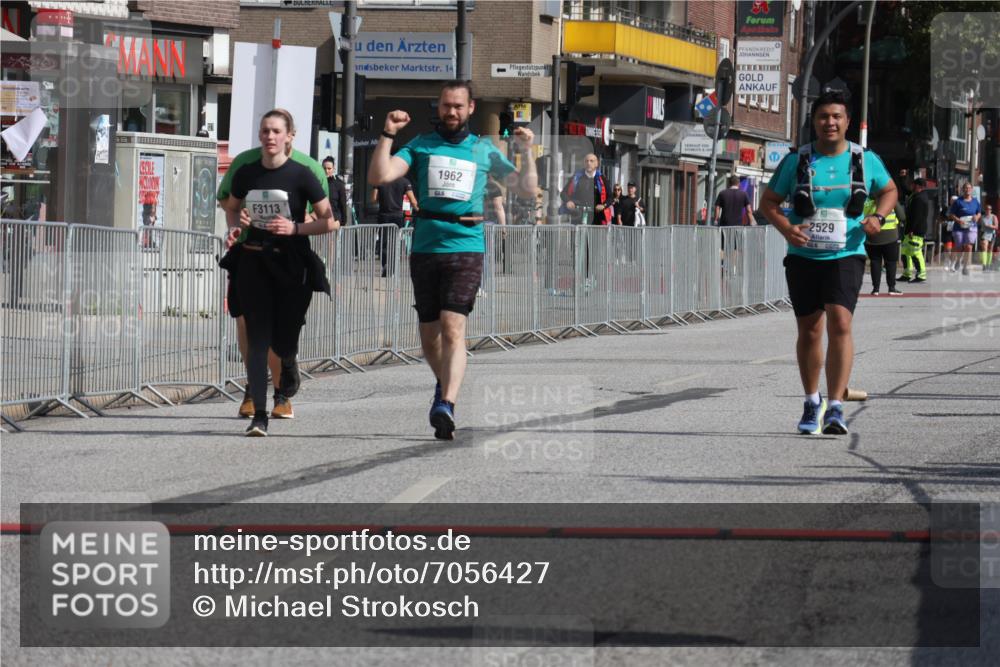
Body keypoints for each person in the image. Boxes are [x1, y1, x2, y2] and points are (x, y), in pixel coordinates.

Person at [367, 80, 537, 440]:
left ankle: (446, 403)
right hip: (426, 246)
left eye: (458, 106)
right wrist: (388, 133)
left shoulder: (483, 149)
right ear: (439, 106)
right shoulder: (421, 145)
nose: (452, 112)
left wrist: (528, 152)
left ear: (471, 108)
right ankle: (444, 382)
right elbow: (379, 176)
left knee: (452, 328)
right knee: (429, 338)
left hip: (466, 244)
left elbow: (525, 188)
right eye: (446, 105)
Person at [759, 89, 896, 436]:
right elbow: (768, 202)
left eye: (836, 116)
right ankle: (811, 401)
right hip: (804, 256)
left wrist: (878, 217)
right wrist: (787, 229)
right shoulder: (798, 160)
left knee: (840, 322)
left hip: (846, 253)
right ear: (814, 122)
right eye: (823, 116)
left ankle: (835, 406)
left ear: (847, 122)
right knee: (809, 330)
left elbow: (889, 190)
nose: (830, 122)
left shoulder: (864, 159)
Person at [220, 109, 337, 436]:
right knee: (257, 338)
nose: (269, 136)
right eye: (265, 131)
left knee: (282, 341)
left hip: (290, 264)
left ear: (288, 137)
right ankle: (260, 415)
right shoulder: (246, 172)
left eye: (275, 131)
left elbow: (329, 221)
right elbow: (232, 208)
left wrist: (295, 227)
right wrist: (237, 225)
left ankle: (287, 364)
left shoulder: (302, 174)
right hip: (253, 260)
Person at [372, 176, 417, 277]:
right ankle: (392, 268)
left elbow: (374, 199)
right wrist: (419, 211)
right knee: (395, 242)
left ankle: (385, 265)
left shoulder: (379, 180)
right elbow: (413, 200)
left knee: (383, 242)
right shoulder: (404, 181)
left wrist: (383, 197)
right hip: (397, 216)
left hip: (383, 215)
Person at [559, 153, 612, 225]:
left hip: (597, 217)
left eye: (591, 161)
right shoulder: (576, 177)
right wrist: (568, 201)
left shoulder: (602, 179)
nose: (588, 163)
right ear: (584, 164)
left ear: (596, 164)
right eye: (586, 161)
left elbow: (610, 197)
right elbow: (563, 193)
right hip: (578, 216)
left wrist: (603, 205)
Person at [863, 197, 901, 295]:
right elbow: (902, 216)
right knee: (891, 262)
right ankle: (891, 288)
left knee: (875, 261)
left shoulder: (867, 202)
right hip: (890, 236)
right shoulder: (891, 199)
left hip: (873, 236)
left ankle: (875, 289)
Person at [900, 177, 932, 283]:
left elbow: (917, 216)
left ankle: (921, 275)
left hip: (915, 230)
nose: (911, 186)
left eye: (913, 184)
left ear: (918, 186)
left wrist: (912, 229)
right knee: (905, 251)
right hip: (910, 229)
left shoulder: (919, 198)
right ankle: (907, 273)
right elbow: (906, 190)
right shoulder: (916, 195)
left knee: (915, 252)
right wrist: (902, 178)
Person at [947, 182, 981, 275]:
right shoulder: (958, 201)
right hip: (959, 227)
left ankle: (965, 267)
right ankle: (958, 260)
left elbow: (979, 213)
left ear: (972, 189)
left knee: (968, 247)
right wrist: (958, 220)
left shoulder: (975, 201)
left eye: (969, 188)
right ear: (963, 190)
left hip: (971, 227)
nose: (967, 190)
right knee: (959, 247)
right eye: (966, 188)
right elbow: (951, 214)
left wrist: (977, 217)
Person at [322, 156, 349, 226]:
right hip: (320, 221)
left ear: (333, 169)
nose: (326, 171)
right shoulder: (317, 183)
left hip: (334, 221)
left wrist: (343, 222)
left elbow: (343, 204)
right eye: (324, 168)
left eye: (329, 168)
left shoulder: (339, 184)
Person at [978, 203, 997, 270]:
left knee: (990, 249)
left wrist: (990, 226)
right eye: (986, 209)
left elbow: (996, 226)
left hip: (992, 234)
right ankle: (984, 264)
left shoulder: (994, 216)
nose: (988, 210)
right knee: (984, 248)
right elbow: (978, 225)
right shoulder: (982, 217)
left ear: (991, 210)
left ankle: (988, 264)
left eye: (989, 209)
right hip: (984, 233)